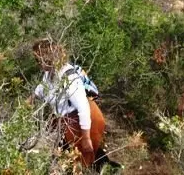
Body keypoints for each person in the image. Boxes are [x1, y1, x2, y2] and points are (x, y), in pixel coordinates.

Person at [29, 39, 118, 170]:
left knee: (83, 157)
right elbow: (41, 89)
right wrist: (27, 104)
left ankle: (111, 170)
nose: (37, 64)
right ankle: (109, 169)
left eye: (38, 60)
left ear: (48, 58)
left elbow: (83, 107)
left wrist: (86, 137)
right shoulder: (49, 74)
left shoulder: (69, 77)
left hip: (83, 122)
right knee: (78, 159)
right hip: (67, 123)